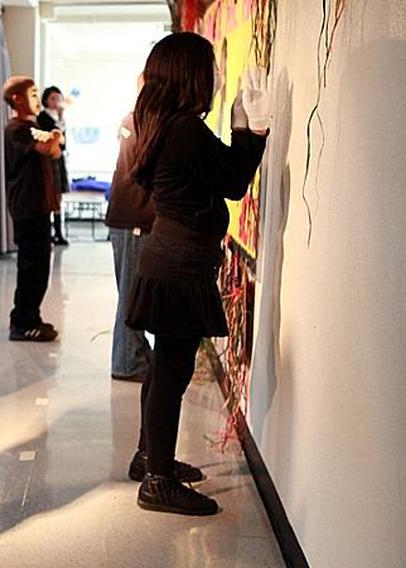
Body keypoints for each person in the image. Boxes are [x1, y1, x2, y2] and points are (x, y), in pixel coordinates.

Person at [125, 32, 269, 515]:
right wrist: (253, 134)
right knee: (171, 370)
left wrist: (245, 134)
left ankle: (149, 457)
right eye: (211, 70)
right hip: (179, 263)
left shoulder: (161, 121)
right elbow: (232, 182)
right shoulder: (183, 127)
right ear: (192, 74)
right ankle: (157, 481)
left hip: (170, 257)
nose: (216, 78)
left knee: (164, 366)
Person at [3, 75, 62, 342]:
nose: (37, 101)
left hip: (38, 206)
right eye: (33, 94)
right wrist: (55, 137)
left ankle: (31, 317)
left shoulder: (32, 125)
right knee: (31, 267)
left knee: (40, 266)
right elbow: (51, 149)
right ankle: (22, 322)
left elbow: (56, 150)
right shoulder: (17, 128)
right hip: (27, 206)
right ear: (17, 99)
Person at [105, 104, 155, 383]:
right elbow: (144, 167)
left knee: (132, 292)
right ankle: (127, 362)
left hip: (128, 217)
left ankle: (134, 353)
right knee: (131, 293)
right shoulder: (141, 121)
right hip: (133, 219)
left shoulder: (135, 120)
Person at [37, 86, 70, 246]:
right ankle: (49, 232)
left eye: (58, 98)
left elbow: (64, 142)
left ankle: (58, 231)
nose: (56, 102)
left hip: (59, 158)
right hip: (48, 159)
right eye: (53, 98)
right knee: (48, 194)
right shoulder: (42, 117)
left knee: (58, 195)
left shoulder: (60, 117)